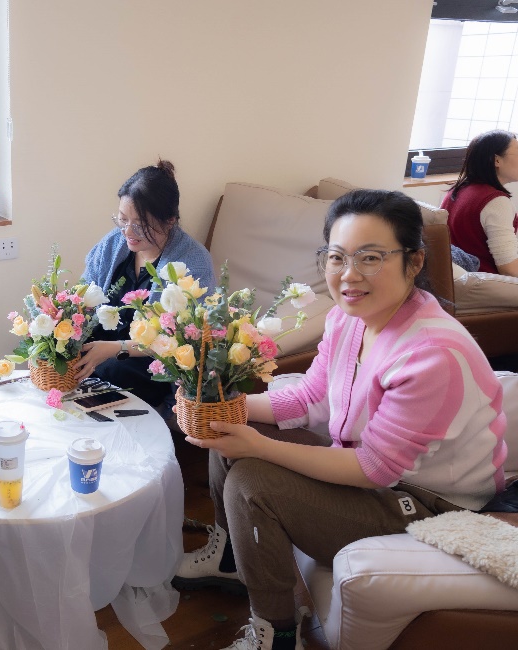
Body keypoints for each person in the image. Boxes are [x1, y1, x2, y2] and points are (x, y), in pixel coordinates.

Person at [173, 189, 507, 650]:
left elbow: (374, 469)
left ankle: (277, 633)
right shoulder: (349, 319)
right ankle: (231, 556)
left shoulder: (432, 353)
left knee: (251, 481)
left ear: (413, 261)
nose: (349, 274)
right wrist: (219, 406)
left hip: (427, 501)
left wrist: (259, 447)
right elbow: (310, 397)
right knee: (227, 427)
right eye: (337, 257)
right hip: (371, 469)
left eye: (370, 257)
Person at [77, 160, 215, 408]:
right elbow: (83, 294)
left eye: (140, 225)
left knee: (111, 373)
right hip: (103, 345)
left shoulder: (193, 262)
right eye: (122, 220)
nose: (128, 232)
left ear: (169, 220)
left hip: (151, 360)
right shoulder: (114, 244)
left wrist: (115, 349)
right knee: (62, 352)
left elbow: (181, 338)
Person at [442, 129, 518, 276]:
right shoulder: (497, 203)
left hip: (460, 278)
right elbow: (509, 269)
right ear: (497, 160)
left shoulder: (457, 190)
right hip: (487, 282)